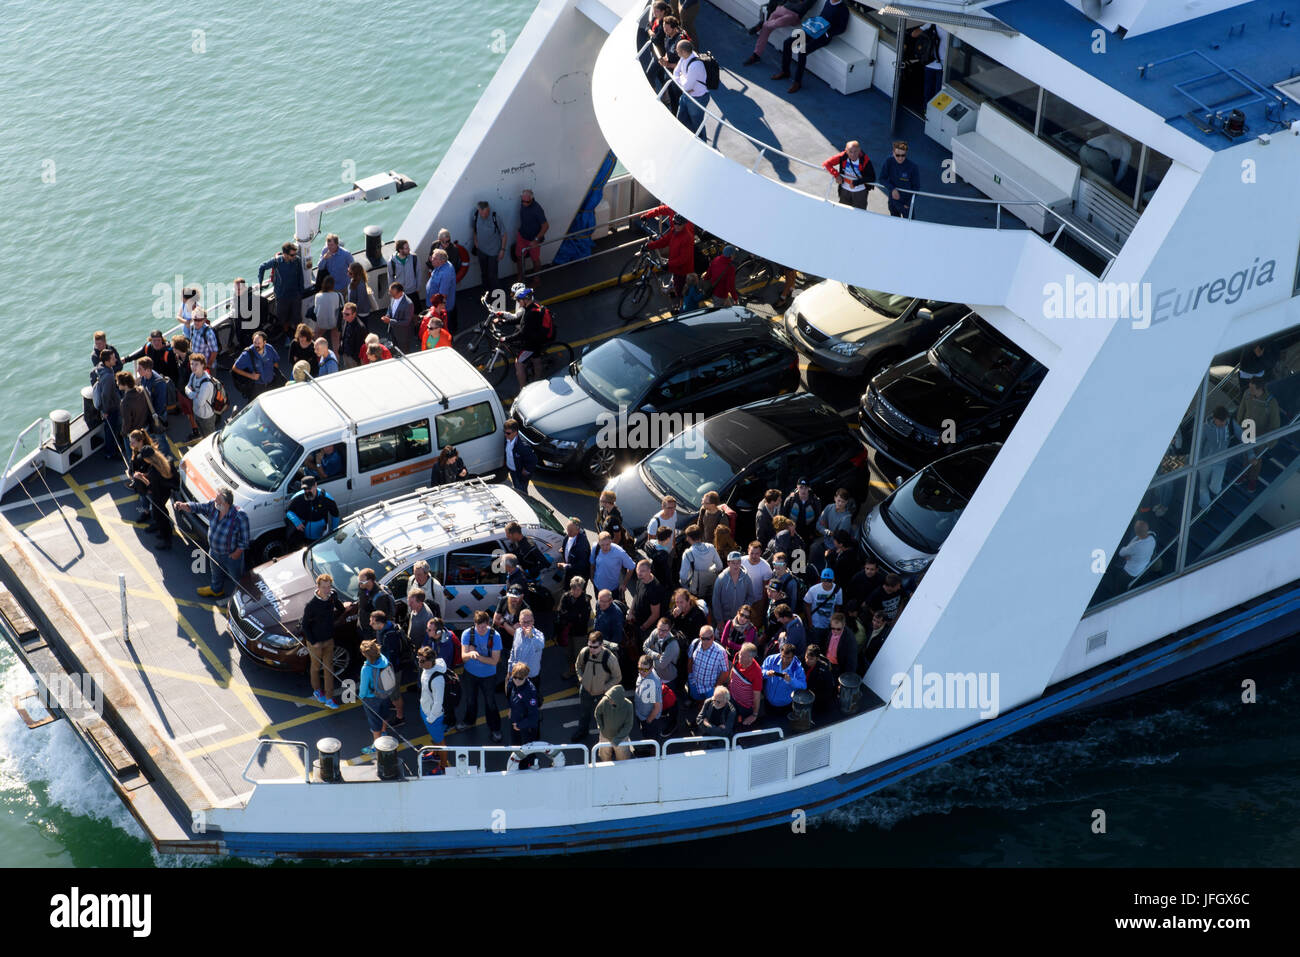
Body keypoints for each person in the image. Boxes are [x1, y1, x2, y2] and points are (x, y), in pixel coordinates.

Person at [174, 487, 249, 599]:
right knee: (216, 573)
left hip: (231, 556)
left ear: (226, 503)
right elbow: (199, 507)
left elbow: (244, 540)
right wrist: (184, 506)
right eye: (216, 498)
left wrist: (236, 554)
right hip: (214, 552)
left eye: (218, 500)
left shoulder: (240, 516)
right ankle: (216, 590)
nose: (215, 501)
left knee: (237, 578)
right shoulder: (213, 507)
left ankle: (242, 597)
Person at [772, 0, 850, 93]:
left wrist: (828, 33)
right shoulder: (828, 2)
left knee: (802, 51)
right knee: (787, 43)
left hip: (823, 37)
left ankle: (797, 82)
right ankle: (785, 72)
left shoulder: (843, 9)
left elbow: (841, 28)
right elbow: (822, 16)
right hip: (814, 30)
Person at [299, 572, 351, 707]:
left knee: (329, 669)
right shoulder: (311, 605)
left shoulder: (332, 596)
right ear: (318, 587)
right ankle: (317, 690)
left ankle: (329, 698)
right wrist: (314, 642)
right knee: (316, 667)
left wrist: (346, 607)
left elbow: (339, 607)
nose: (327, 590)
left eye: (329, 587)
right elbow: (305, 625)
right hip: (315, 642)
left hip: (329, 640)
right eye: (324, 587)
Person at [127, 430, 176, 551]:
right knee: (161, 513)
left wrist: (140, 477)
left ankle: (166, 539)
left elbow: (150, 486)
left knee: (160, 515)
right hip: (164, 491)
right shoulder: (162, 461)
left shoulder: (154, 472)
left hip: (158, 494)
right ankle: (163, 530)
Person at [459, 611, 503, 741]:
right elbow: (464, 657)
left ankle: (495, 728)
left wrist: (475, 654)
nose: (481, 630)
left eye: (484, 627)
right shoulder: (467, 634)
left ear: (488, 624)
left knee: (490, 703)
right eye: (479, 627)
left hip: (488, 676)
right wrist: (471, 654)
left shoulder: (495, 636)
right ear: (475, 624)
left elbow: (494, 661)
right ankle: (469, 721)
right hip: (470, 674)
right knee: (470, 699)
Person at [573, 631, 622, 741]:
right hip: (586, 690)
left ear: (601, 645)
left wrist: (605, 688)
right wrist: (581, 679)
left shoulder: (610, 658)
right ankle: (582, 731)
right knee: (584, 714)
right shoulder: (584, 652)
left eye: (594, 647)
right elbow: (578, 666)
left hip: (602, 694)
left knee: (604, 716)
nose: (591, 649)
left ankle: (606, 737)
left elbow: (617, 677)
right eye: (589, 646)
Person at [258, 242, 307, 343]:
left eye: (295, 254)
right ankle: (287, 337)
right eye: (292, 255)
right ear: (285, 254)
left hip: (295, 295)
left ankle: (299, 338)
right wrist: (260, 283)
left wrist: (301, 291)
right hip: (282, 296)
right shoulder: (277, 262)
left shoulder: (297, 260)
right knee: (283, 319)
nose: (294, 256)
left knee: (297, 318)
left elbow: (300, 276)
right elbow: (262, 267)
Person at [1237, 378, 1280, 493]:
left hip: (1260, 435)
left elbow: (1275, 424)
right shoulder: (1247, 394)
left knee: (1256, 458)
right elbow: (1242, 409)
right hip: (1246, 430)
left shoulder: (1270, 403)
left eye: (1252, 388)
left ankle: (1252, 479)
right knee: (1245, 454)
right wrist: (1238, 426)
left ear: (1260, 389)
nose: (1249, 390)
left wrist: (1270, 442)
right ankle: (1244, 473)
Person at [647, 213, 696, 313]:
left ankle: (679, 308)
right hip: (675, 266)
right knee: (676, 285)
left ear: (684, 224)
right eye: (674, 223)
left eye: (679, 224)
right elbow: (664, 241)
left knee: (680, 291)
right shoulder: (674, 231)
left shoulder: (688, 237)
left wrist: (669, 264)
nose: (676, 225)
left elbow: (683, 259)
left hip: (682, 270)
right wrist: (649, 246)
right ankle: (675, 298)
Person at [744, 0, 815, 65]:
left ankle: (763, 24)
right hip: (782, 8)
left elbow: (804, 7)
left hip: (793, 15)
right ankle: (756, 55)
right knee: (766, 28)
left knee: (770, 24)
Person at [1197, 405, 1240, 509]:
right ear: (1214, 419)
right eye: (1220, 422)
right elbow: (1199, 445)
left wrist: (1251, 453)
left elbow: (1243, 436)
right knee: (1203, 486)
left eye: (1224, 421)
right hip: (1205, 462)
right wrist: (1198, 461)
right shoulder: (1205, 427)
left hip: (1220, 463)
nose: (1223, 424)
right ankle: (1205, 508)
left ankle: (1211, 494)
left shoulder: (1230, 424)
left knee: (1216, 489)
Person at [686, 625, 730, 725]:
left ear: (713, 637)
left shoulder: (720, 652)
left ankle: (705, 723)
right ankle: (700, 715)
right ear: (699, 636)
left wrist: (716, 687)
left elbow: (725, 672)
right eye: (703, 638)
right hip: (695, 683)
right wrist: (690, 677)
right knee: (699, 701)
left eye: (708, 639)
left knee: (711, 708)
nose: (705, 641)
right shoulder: (695, 643)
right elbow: (690, 660)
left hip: (710, 687)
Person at [371, 610, 407, 727]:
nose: (370, 624)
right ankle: (394, 704)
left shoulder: (389, 635)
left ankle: (400, 717)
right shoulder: (383, 630)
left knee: (395, 694)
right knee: (392, 693)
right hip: (389, 668)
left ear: (379, 623)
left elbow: (391, 657)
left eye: (372, 622)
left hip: (392, 670)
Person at [357, 639, 394, 754]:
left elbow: (363, 688)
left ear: (365, 654)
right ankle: (384, 731)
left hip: (372, 698)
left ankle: (376, 746)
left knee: (374, 723)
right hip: (386, 694)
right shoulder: (383, 659)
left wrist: (361, 696)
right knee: (384, 714)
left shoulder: (366, 669)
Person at [284, 474, 340, 547]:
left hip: (320, 537)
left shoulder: (326, 499)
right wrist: (296, 522)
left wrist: (334, 531)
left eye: (309, 488)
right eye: (305, 489)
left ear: (316, 485)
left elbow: (335, 514)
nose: (307, 491)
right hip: (303, 536)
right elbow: (288, 511)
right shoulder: (298, 498)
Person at [417, 647, 449, 772]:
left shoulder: (437, 680)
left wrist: (430, 718)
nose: (419, 663)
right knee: (435, 738)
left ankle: (443, 766)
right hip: (425, 710)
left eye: (422, 661)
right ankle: (436, 754)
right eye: (418, 660)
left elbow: (438, 703)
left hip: (433, 716)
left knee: (441, 742)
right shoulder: (427, 669)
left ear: (431, 661)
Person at [511, 287, 550, 390]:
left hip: (531, 343)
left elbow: (523, 333)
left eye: (519, 300)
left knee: (518, 364)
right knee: (536, 360)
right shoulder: (532, 307)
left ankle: (522, 389)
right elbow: (519, 320)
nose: (518, 303)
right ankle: (537, 382)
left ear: (525, 299)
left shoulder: (531, 313)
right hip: (537, 339)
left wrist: (506, 339)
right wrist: (504, 321)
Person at [672, 40, 710, 142]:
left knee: (697, 123)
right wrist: (683, 78)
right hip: (686, 96)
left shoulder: (695, 65)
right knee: (681, 119)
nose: (676, 52)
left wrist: (681, 77)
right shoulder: (684, 58)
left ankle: (703, 143)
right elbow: (676, 72)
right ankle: (686, 139)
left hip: (698, 99)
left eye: (678, 51)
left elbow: (686, 87)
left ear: (684, 51)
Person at [91, 348, 124, 460]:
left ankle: (111, 450)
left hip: (108, 407)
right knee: (111, 430)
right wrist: (105, 411)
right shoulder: (109, 376)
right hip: (111, 408)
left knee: (110, 430)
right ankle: (111, 452)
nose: (115, 360)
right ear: (107, 361)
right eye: (113, 358)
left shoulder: (100, 368)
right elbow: (106, 395)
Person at [810, 488, 855, 569]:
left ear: (847, 502)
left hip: (835, 549)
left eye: (843, 502)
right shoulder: (829, 507)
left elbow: (840, 541)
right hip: (825, 542)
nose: (840, 503)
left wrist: (825, 529)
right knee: (813, 549)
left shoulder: (846, 519)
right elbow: (818, 525)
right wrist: (828, 532)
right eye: (839, 500)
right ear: (835, 498)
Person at [823, 141, 875, 209]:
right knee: (843, 210)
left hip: (860, 191)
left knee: (860, 213)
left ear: (859, 150)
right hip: (844, 190)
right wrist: (836, 175)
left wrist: (856, 183)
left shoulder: (865, 159)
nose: (853, 154)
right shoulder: (843, 156)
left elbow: (872, 177)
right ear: (846, 151)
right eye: (850, 152)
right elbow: (827, 164)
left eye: (855, 151)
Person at [558, 575, 592, 678]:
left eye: (578, 589)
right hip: (568, 632)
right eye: (573, 589)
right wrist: (576, 616)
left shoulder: (586, 600)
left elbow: (584, 619)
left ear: (582, 589)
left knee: (579, 656)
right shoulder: (565, 597)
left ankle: (581, 677)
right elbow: (561, 613)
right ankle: (572, 671)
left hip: (580, 634)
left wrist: (570, 616)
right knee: (569, 654)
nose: (576, 592)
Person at [762, 642, 806, 720]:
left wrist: (791, 681)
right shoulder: (771, 659)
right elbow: (761, 671)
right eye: (783, 656)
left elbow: (803, 686)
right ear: (780, 653)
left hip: (784, 707)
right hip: (767, 702)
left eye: (788, 658)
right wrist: (766, 673)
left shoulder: (798, 668)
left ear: (793, 657)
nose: (785, 660)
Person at [470, 201, 506, 297]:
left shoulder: (495, 217)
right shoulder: (476, 215)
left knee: (492, 276)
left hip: (493, 252)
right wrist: (475, 241)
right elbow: (474, 229)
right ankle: (487, 294)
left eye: (485, 213)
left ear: (488, 209)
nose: (483, 215)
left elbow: (504, 234)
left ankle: (498, 297)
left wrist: (502, 250)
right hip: (481, 250)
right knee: (484, 273)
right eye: (481, 213)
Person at [507, 662, 542, 761]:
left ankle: (530, 764)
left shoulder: (530, 692)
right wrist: (510, 708)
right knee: (515, 748)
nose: (517, 680)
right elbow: (510, 695)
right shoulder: (512, 682)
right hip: (515, 721)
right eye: (515, 677)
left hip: (526, 728)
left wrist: (520, 725)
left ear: (526, 677)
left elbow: (534, 717)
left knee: (527, 751)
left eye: (520, 678)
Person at [231, 331, 280, 400]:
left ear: (264, 343)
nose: (256, 345)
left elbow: (275, 362)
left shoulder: (269, 348)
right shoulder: (247, 354)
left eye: (259, 343)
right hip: (258, 387)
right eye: (255, 343)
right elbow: (235, 368)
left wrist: (275, 374)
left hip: (271, 383)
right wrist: (251, 376)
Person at [644, 616, 685, 697]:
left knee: (668, 701)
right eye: (659, 629)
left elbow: (661, 665)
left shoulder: (672, 645)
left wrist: (650, 654)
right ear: (657, 626)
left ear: (669, 630)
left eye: (664, 631)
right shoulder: (655, 632)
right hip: (656, 675)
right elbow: (644, 646)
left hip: (668, 679)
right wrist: (657, 655)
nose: (661, 633)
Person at [879, 140, 921, 218]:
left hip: (906, 205)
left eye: (903, 155)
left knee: (909, 227)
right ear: (893, 153)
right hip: (893, 202)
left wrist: (908, 204)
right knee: (895, 225)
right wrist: (892, 189)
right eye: (897, 155)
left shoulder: (913, 167)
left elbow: (916, 188)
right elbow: (882, 178)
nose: (900, 158)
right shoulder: (889, 162)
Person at [711, 551, 754, 625]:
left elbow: (750, 596)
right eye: (733, 563)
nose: (736, 565)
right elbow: (716, 601)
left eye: (738, 562)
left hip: (740, 618)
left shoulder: (746, 578)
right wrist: (719, 620)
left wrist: (743, 612)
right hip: (724, 619)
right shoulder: (721, 579)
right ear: (728, 563)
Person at [679, 524, 722, 599]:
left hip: (696, 591)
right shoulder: (711, 547)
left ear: (689, 538)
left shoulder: (688, 553)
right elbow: (719, 566)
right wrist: (709, 570)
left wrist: (686, 588)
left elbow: (683, 576)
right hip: (711, 586)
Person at [515, 189, 548, 284]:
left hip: (534, 239)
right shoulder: (523, 204)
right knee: (519, 257)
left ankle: (536, 278)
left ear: (532, 199)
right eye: (523, 201)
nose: (524, 203)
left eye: (527, 202)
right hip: (522, 236)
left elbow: (546, 226)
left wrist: (536, 240)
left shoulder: (537, 209)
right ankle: (520, 277)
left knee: (535, 259)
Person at [592, 531, 637, 600]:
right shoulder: (595, 548)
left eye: (607, 544)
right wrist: (592, 578)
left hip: (612, 590)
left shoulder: (619, 552)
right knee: (600, 605)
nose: (605, 547)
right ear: (599, 543)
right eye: (602, 545)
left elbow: (631, 567)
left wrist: (624, 584)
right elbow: (592, 564)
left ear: (611, 541)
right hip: (597, 587)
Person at [804, 567, 843, 645]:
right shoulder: (813, 590)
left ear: (833, 579)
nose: (826, 583)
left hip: (829, 625)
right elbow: (807, 605)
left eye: (829, 580)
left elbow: (838, 606)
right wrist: (810, 623)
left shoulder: (838, 590)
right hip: (815, 624)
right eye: (823, 580)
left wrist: (834, 622)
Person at [728, 642, 764, 728]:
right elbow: (732, 671)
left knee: (741, 726)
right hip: (732, 698)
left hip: (745, 706)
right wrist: (729, 686)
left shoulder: (757, 672)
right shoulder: (737, 656)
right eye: (740, 653)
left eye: (742, 656)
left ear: (751, 658)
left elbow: (757, 696)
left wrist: (754, 715)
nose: (739, 656)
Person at [595, 684, 634, 760]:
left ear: (618, 699)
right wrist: (601, 727)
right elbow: (597, 713)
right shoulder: (605, 701)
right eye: (609, 697)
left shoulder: (628, 705)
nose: (609, 700)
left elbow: (628, 725)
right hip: (605, 735)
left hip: (621, 738)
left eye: (611, 699)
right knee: (604, 757)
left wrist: (617, 739)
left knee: (623, 758)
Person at [627, 559, 666, 637]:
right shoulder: (641, 579)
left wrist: (643, 627)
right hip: (637, 619)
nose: (639, 573)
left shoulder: (654, 589)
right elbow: (636, 595)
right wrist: (631, 612)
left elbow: (655, 614)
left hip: (646, 626)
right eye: (638, 570)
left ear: (649, 571)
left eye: (643, 571)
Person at [355, 568, 396, 642]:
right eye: (359, 581)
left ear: (370, 581)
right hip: (363, 628)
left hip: (372, 633)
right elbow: (362, 605)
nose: (360, 583)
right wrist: (362, 590)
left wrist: (375, 636)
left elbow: (382, 619)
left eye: (362, 581)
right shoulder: (364, 588)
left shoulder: (380, 597)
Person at [1114, 519, 1156, 588]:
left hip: (1129, 572)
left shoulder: (1135, 546)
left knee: (1119, 586)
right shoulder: (1153, 537)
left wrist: (1127, 555)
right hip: (1141, 568)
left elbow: (1121, 552)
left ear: (1136, 532)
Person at [314, 233, 354, 298]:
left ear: (337, 244)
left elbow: (353, 268)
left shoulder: (346, 254)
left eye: (332, 245)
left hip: (343, 286)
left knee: (342, 304)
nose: (329, 247)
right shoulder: (325, 250)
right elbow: (320, 267)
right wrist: (324, 258)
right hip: (330, 287)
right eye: (328, 245)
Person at [387, 239, 422, 314]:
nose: (409, 249)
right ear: (400, 250)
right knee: (403, 313)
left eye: (408, 247)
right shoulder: (391, 262)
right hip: (400, 293)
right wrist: (392, 292)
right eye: (406, 248)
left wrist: (418, 287)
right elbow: (390, 277)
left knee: (417, 312)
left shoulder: (414, 258)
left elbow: (418, 273)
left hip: (413, 291)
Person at [634, 654, 664, 740]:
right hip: (641, 715)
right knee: (645, 736)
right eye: (640, 668)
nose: (642, 672)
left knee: (651, 740)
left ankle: (653, 752)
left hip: (649, 719)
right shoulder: (643, 674)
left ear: (651, 668)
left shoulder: (653, 684)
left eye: (645, 670)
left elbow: (657, 707)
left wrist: (649, 720)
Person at [134, 356, 169, 431]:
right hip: (150, 410)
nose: (137, 370)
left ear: (148, 370)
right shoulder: (144, 377)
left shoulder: (159, 383)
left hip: (157, 414)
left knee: (159, 432)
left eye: (140, 369)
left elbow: (160, 404)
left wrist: (153, 417)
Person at [312, 273, 344, 354]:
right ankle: (336, 359)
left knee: (316, 336)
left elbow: (315, 311)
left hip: (321, 323)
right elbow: (342, 308)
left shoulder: (318, 296)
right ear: (333, 285)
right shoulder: (338, 295)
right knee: (336, 342)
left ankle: (317, 354)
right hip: (334, 323)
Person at [502, 418, 536, 491]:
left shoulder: (524, 446)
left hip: (520, 474)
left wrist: (526, 471)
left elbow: (533, 460)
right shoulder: (507, 439)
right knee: (516, 487)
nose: (505, 435)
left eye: (508, 433)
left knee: (522, 492)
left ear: (515, 432)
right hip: (512, 470)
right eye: (504, 432)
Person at [118, 372, 151, 444]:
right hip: (145, 427)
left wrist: (123, 433)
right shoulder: (142, 390)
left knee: (133, 453)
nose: (117, 383)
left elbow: (127, 422)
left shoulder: (125, 402)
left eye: (119, 382)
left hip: (134, 433)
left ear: (125, 385)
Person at [803, 644, 836, 716]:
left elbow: (827, 691)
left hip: (818, 701)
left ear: (817, 658)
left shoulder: (824, 672)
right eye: (806, 657)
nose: (807, 661)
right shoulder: (804, 662)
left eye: (811, 659)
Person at [557, 517, 591, 583]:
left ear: (578, 530)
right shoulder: (569, 536)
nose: (568, 533)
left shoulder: (582, 545)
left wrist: (565, 566)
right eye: (568, 530)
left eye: (571, 531)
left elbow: (580, 566)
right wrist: (564, 550)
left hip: (578, 578)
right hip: (569, 572)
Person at [383, 282, 415, 353]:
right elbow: (390, 308)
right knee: (396, 350)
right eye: (390, 293)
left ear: (400, 292)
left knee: (404, 352)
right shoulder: (393, 297)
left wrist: (390, 321)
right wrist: (387, 315)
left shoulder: (408, 304)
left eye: (393, 294)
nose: (391, 296)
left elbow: (406, 322)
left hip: (403, 335)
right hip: (393, 331)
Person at [824, 612, 857, 676]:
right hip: (827, 663)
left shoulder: (850, 639)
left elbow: (852, 661)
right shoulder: (829, 630)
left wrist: (847, 677)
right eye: (833, 628)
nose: (835, 631)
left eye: (838, 629)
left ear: (844, 625)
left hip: (838, 668)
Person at [742, 541, 772, 609]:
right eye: (752, 553)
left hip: (756, 601)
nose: (754, 556)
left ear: (761, 553)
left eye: (757, 553)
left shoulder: (766, 567)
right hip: (741, 598)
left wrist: (762, 603)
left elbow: (766, 588)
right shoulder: (741, 561)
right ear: (748, 551)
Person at [406, 588, 434, 654]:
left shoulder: (427, 617)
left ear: (420, 603)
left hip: (420, 651)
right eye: (408, 601)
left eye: (412, 602)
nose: (409, 604)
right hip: (411, 646)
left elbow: (429, 639)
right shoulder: (414, 608)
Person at [339, 302, 366, 369]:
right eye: (343, 313)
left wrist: (356, 359)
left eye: (347, 314)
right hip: (346, 354)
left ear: (354, 314)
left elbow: (360, 347)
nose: (344, 316)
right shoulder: (345, 320)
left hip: (353, 359)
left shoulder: (360, 327)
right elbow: (343, 335)